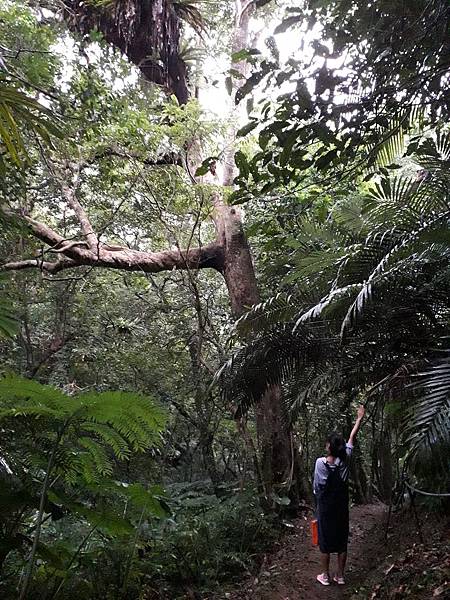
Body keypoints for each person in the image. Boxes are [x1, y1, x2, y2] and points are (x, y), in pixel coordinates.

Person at [313, 405, 365, 586]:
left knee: (325, 541)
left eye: (328, 443)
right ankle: (340, 575)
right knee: (342, 540)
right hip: (342, 507)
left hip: (326, 508)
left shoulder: (320, 463)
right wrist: (359, 418)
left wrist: (319, 501)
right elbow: (352, 437)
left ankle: (325, 576)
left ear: (329, 447)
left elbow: (317, 487)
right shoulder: (346, 459)